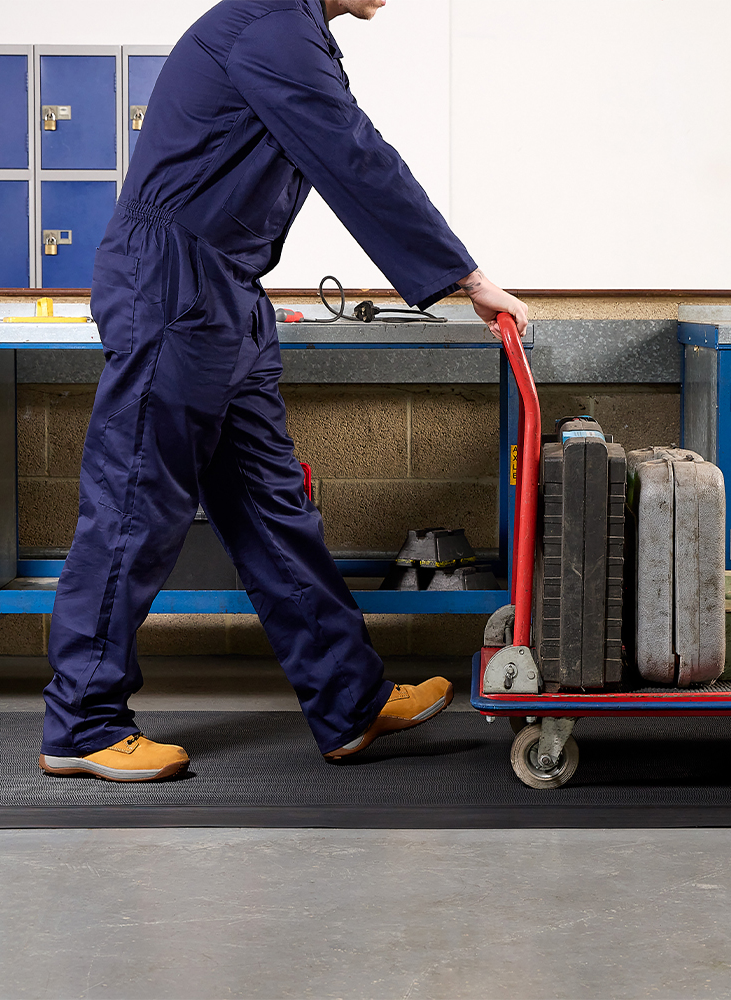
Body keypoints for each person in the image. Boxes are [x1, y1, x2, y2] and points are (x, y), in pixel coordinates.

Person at [38, 0, 528, 782]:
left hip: (225, 293)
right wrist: (467, 278)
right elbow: (355, 157)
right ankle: (81, 725)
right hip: (172, 286)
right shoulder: (268, 26)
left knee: (274, 510)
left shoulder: (299, 33)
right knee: (136, 504)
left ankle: (350, 701)